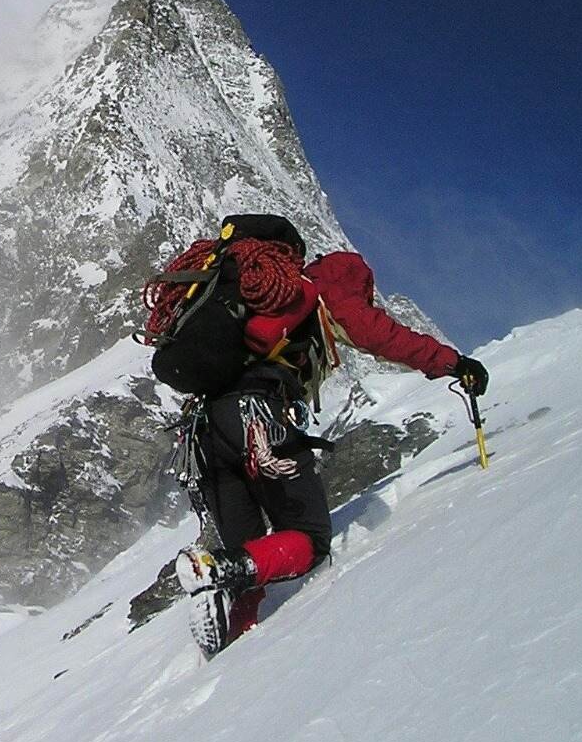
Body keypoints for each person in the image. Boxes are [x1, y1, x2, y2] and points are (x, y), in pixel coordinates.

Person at [165, 224, 490, 654]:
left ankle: (234, 645)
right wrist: (454, 364)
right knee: (310, 538)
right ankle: (217, 569)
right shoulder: (323, 289)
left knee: (252, 552)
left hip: (204, 435)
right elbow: (383, 336)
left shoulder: (252, 302)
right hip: (255, 418)